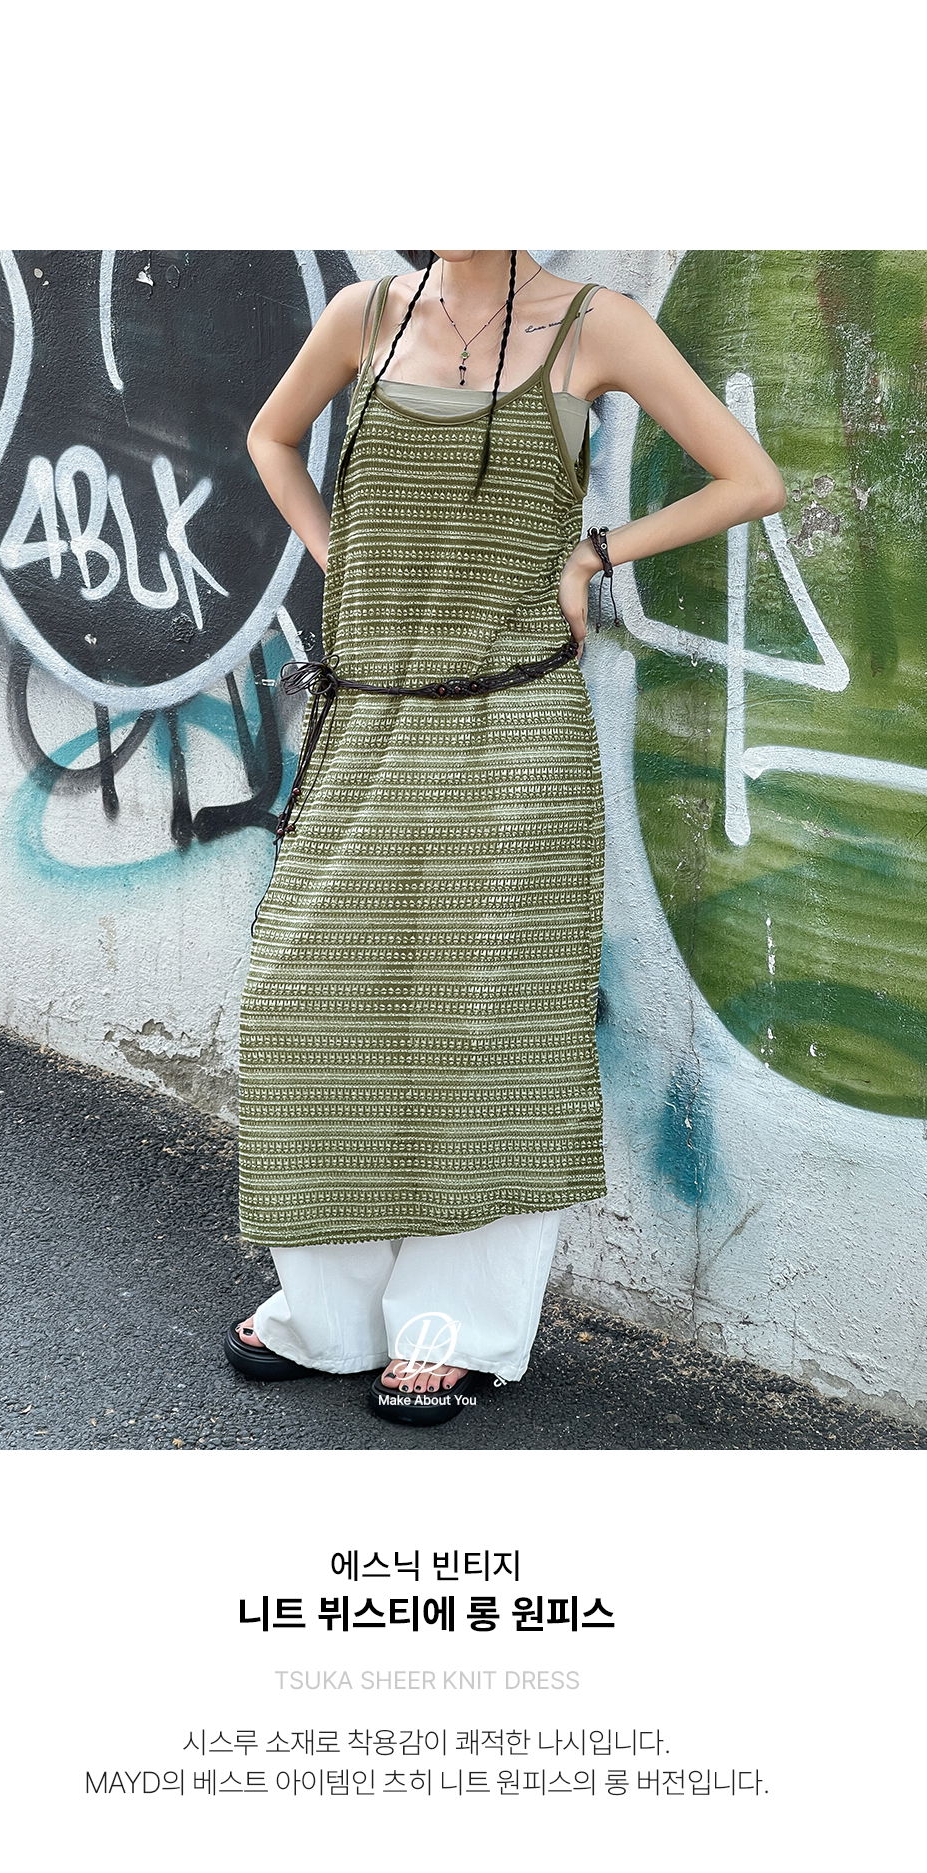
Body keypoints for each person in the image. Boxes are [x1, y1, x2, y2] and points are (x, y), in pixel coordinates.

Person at [226, 249, 786, 1427]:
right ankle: (327, 1312)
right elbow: (270, 438)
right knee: (309, 1001)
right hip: (367, 711)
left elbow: (750, 479)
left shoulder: (598, 326)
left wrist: (595, 552)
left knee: (488, 1027)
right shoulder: (364, 314)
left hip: (515, 723)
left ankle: (453, 1328)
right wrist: (337, 555)